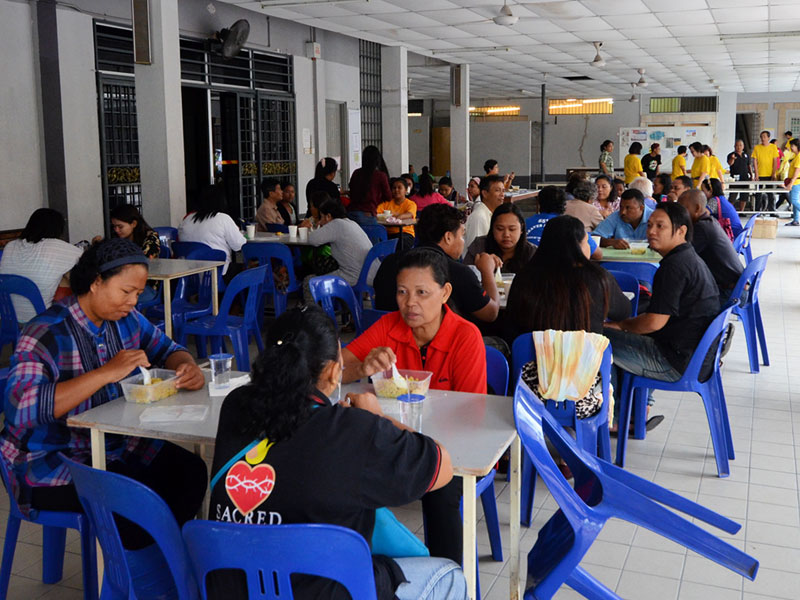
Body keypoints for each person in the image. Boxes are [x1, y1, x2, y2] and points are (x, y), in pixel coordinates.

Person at [209, 305, 466, 600]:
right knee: (449, 575)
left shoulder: (235, 405)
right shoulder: (353, 430)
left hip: (232, 585)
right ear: (333, 371)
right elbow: (442, 467)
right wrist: (377, 420)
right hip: (321, 589)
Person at [0, 238, 207, 546]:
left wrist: (187, 365)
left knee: (190, 472)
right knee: (135, 505)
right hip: (53, 461)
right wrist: (106, 372)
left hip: (115, 447)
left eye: (138, 293)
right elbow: (20, 408)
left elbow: (168, 348)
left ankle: (162, 557)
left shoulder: (126, 320)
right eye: (126, 292)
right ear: (96, 282)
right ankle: (138, 576)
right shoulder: (44, 333)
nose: (133, 302)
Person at [343, 247, 487, 566]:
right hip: (391, 441)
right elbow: (332, 368)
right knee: (342, 470)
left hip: (448, 449)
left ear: (445, 292)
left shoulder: (466, 337)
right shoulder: (389, 327)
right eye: (402, 292)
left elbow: (473, 415)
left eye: (422, 293)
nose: (410, 303)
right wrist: (361, 368)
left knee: (441, 490)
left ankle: (447, 576)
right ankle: (359, 570)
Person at [604, 203, 720, 416]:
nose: (651, 231)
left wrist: (621, 325)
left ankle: (618, 416)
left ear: (681, 230)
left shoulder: (674, 267)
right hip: (696, 357)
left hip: (676, 363)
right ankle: (639, 408)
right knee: (626, 334)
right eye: (649, 225)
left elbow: (653, 323)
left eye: (660, 226)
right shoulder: (689, 258)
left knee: (600, 339)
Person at [505, 214, 630, 354]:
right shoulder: (599, 278)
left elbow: (511, 321)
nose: (589, 246)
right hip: (586, 369)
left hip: (533, 367)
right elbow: (623, 312)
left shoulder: (525, 276)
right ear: (577, 247)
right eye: (586, 242)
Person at [372, 204, 500, 326]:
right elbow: (491, 313)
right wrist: (487, 270)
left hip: (386, 340)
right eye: (462, 235)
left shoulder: (389, 262)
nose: (463, 241)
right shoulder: (457, 272)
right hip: (435, 346)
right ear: (448, 237)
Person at [0, 209, 83, 322]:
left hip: (7, 320)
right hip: (40, 321)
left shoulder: (10, 246)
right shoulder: (57, 247)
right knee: (71, 279)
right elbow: (86, 260)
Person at [678, 190, 743, 306]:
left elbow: (681, 254)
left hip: (728, 292)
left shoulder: (702, 228)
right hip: (735, 287)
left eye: (683, 209)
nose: (680, 214)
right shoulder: (709, 221)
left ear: (697, 208)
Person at [178, 184, 245, 277]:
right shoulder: (222, 219)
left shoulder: (186, 220)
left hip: (190, 277)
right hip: (218, 274)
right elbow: (239, 245)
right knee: (250, 268)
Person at [303, 200, 375, 287]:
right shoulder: (352, 223)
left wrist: (317, 227)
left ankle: (321, 300)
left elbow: (312, 239)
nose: (321, 221)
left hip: (354, 276)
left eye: (321, 217)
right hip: (371, 273)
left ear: (328, 216)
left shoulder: (336, 224)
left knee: (309, 282)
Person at [464, 203, 535, 274]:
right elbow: (465, 277)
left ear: (521, 229)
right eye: (500, 229)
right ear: (492, 228)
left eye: (512, 229)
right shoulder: (479, 247)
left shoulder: (533, 253)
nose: (506, 235)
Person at [347, 145, 391, 225]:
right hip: (368, 214)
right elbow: (388, 196)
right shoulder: (380, 176)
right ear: (377, 160)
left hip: (351, 213)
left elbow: (351, 190)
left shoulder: (356, 173)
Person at [463, 174, 504, 250]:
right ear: (485, 193)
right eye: (497, 190)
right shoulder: (479, 217)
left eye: (503, 191)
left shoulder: (491, 214)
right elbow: (476, 251)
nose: (502, 195)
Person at [377, 177, 417, 249]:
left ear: (405, 190)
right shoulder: (386, 203)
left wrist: (394, 216)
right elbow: (377, 213)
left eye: (399, 188)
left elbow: (409, 214)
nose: (396, 190)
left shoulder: (411, 204)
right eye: (394, 188)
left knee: (400, 243)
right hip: (388, 233)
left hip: (406, 233)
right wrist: (396, 215)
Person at [752, 130, 780, 211]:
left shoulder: (773, 147)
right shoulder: (757, 147)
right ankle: (757, 210)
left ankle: (771, 210)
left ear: (768, 138)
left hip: (769, 173)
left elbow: (775, 160)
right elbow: (755, 161)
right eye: (761, 137)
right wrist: (756, 174)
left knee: (770, 193)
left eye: (764, 137)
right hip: (760, 174)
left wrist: (774, 173)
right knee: (758, 193)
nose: (763, 139)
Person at [727, 139, 753, 210]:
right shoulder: (731, 155)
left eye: (740, 145)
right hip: (735, 179)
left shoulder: (746, 155)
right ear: (734, 146)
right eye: (737, 145)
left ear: (743, 146)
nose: (738, 147)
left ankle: (742, 211)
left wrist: (751, 174)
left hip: (745, 178)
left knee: (744, 195)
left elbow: (748, 165)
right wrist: (732, 159)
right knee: (732, 196)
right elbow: (730, 163)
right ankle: (730, 211)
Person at [784, 137, 800, 226]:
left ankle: (796, 219)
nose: (791, 148)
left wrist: (791, 183)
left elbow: (797, 171)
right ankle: (796, 220)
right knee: (795, 200)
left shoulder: (799, 157)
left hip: (796, 182)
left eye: (792, 146)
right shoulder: (796, 156)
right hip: (795, 181)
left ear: (797, 146)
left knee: (794, 201)